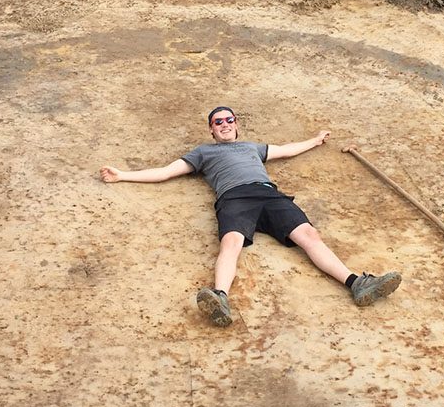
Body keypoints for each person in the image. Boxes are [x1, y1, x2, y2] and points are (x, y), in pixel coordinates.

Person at [99, 106, 401, 327]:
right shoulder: (203, 152)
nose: (225, 124)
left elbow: (285, 150)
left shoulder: (252, 147)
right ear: (211, 129)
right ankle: (220, 298)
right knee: (231, 243)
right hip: (234, 197)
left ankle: (357, 284)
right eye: (218, 122)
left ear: (236, 125)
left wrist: (315, 139)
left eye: (229, 120)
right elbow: (166, 172)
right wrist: (123, 175)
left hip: (269, 194)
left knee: (309, 236)